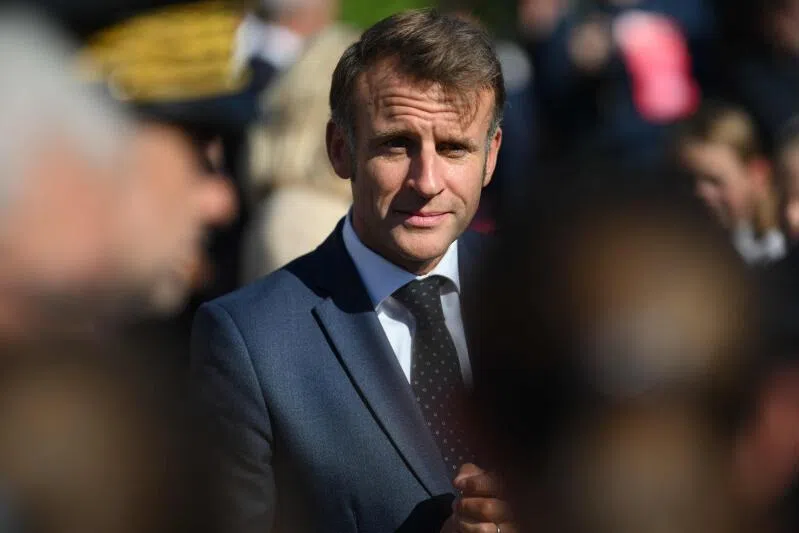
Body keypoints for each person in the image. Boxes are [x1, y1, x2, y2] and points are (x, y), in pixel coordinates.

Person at [191, 9, 514, 533]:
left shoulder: (539, 294)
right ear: (340, 149)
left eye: (454, 148)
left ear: (491, 156)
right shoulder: (249, 341)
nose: (427, 180)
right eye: (396, 144)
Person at [675, 102, 786, 265]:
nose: (700, 192)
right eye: (688, 181)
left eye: (715, 181)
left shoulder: (783, 248)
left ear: (758, 174)